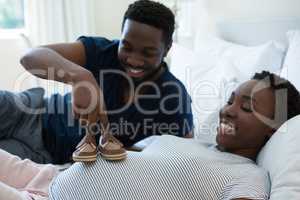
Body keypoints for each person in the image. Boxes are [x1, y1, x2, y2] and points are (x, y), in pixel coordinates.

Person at [1, 71, 300, 200]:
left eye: (246, 107)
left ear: (274, 128)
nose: (228, 111)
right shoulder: (192, 145)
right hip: (50, 175)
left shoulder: (249, 176)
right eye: (230, 100)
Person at [1, 0, 193, 164]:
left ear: (167, 49)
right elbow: (30, 57)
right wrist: (80, 77)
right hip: (29, 110)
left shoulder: (173, 96)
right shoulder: (104, 51)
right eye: (126, 46)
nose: (133, 59)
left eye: (148, 53)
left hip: (44, 154)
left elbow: (183, 156)